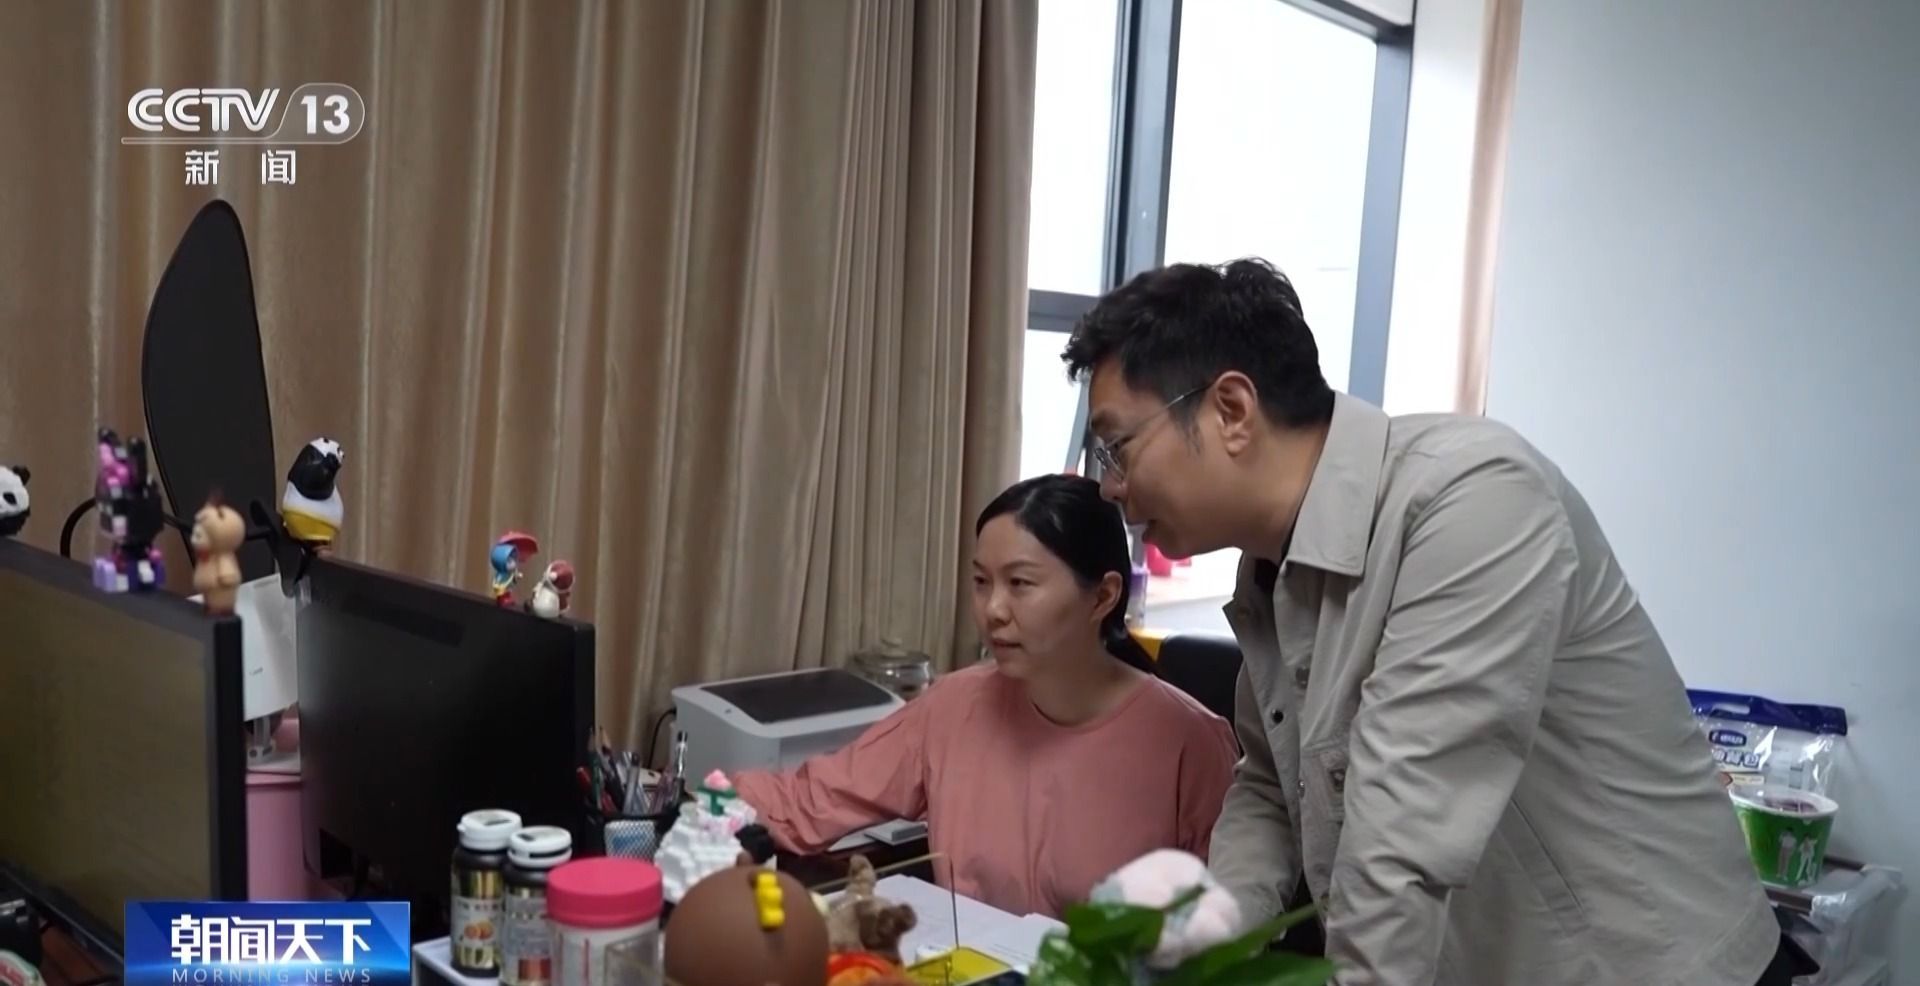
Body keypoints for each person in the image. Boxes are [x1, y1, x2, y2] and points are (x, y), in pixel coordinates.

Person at [1061, 258, 1805, 986]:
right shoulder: (1269, 569)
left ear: (1231, 410)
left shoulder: (1473, 496)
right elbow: (1271, 791)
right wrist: (1198, 948)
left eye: (1117, 447)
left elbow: (1398, 837)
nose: (1109, 487)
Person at [732, 474, 1238, 918]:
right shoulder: (954, 706)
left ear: (1103, 596)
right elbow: (810, 802)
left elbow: (1228, 928)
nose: (993, 609)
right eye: (981, 581)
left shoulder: (1190, 742)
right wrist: (707, 808)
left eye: (1020, 583)